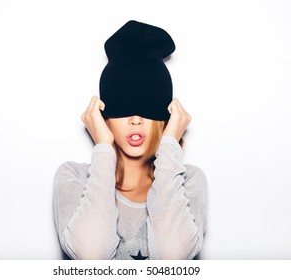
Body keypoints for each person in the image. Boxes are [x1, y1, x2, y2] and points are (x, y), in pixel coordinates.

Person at [53, 20, 207, 260]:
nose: (136, 119)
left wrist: (169, 145)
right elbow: (90, 256)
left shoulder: (188, 181)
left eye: (147, 109)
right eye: (123, 108)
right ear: (104, 117)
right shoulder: (74, 178)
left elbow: (173, 259)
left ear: (166, 117)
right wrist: (103, 148)